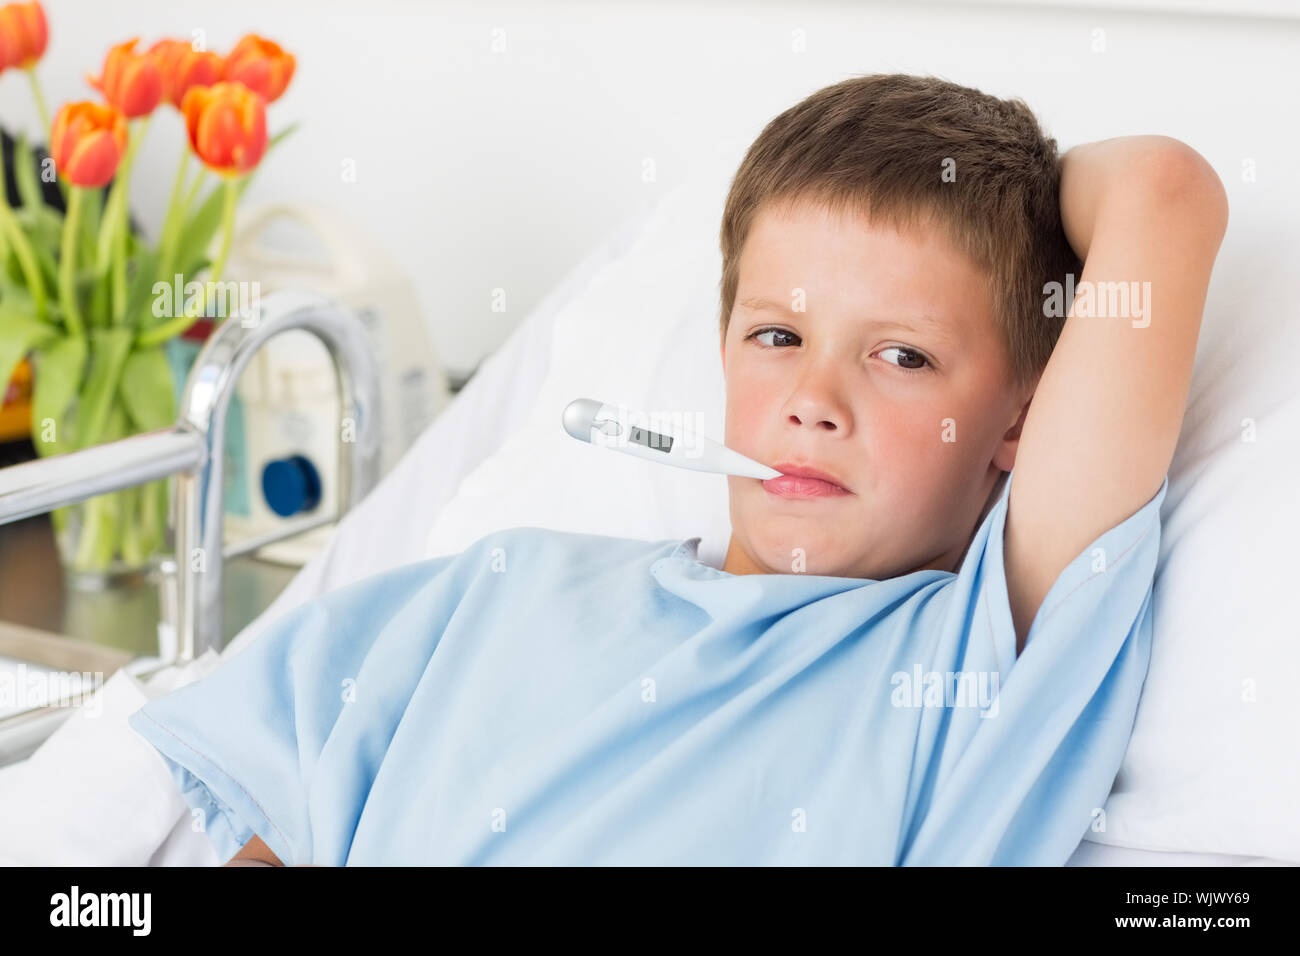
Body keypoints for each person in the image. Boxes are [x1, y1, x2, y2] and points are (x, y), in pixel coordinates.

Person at [128, 73, 1228, 866]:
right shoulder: (491, 589)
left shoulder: (982, 659)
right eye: (777, 336)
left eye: (902, 355)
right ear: (721, 352)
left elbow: (1164, 194)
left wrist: (1015, 204)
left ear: (1016, 427)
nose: (812, 398)